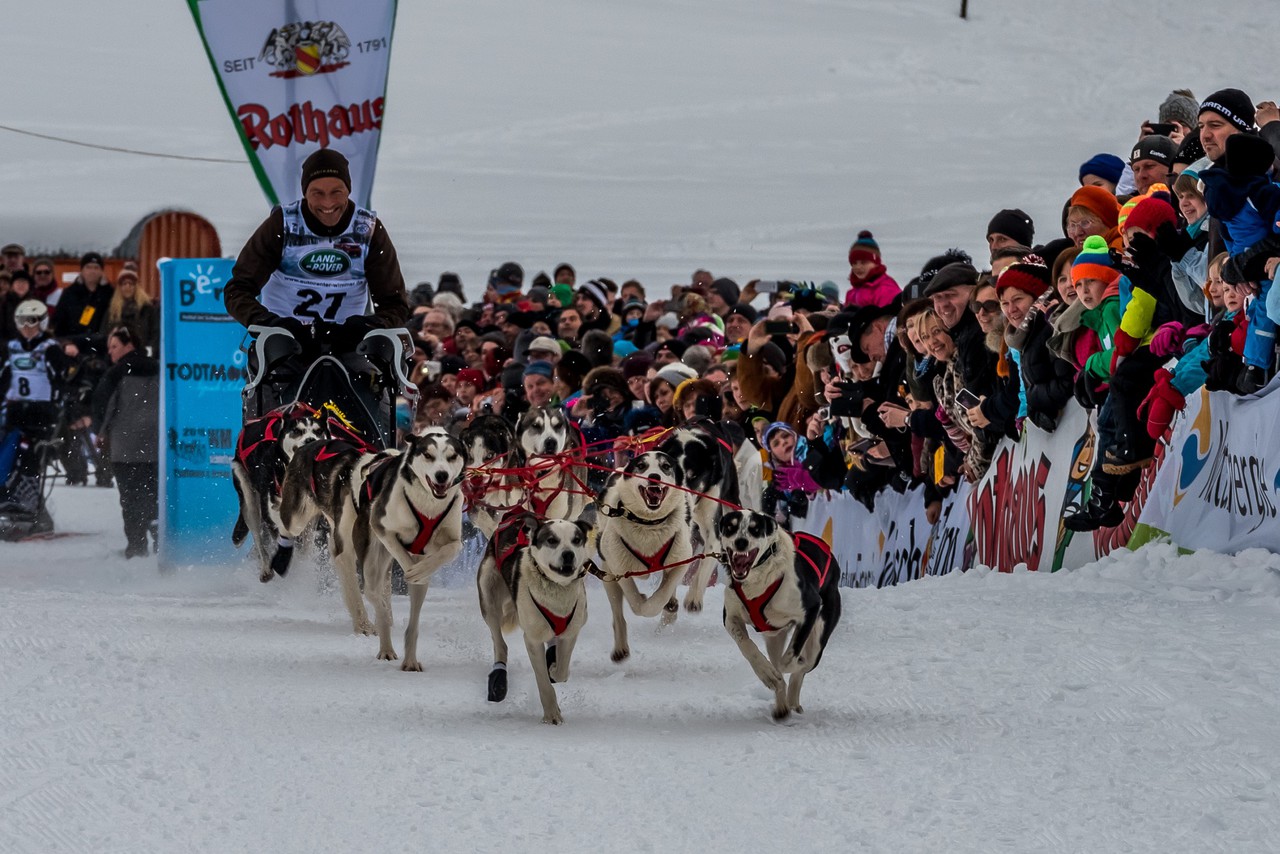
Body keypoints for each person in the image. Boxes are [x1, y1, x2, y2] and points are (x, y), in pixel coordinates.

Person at [222, 148, 410, 423]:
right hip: (287, 344)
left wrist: (367, 327)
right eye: (317, 193)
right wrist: (271, 323)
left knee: (378, 395)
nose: (328, 202)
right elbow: (238, 289)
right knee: (266, 418)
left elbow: (395, 303)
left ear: (348, 191)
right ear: (305, 193)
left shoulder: (368, 230)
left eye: (336, 192)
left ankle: (375, 444)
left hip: (349, 344)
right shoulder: (281, 225)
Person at [0, 300, 73, 528]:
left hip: (41, 415)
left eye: (31, 322)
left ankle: (27, 502)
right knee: (9, 450)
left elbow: (60, 381)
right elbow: (4, 378)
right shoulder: (12, 348)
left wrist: (60, 408)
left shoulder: (49, 349)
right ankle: (8, 495)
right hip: (15, 413)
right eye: (22, 322)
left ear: (41, 322)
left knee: (27, 453)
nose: (26, 327)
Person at [92, 326, 159, 558]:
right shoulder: (159, 367)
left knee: (130, 499)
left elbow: (103, 404)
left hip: (126, 446)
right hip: (155, 445)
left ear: (129, 345)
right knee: (154, 496)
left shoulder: (117, 372)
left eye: (114, 346)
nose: (110, 352)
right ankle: (161, 541)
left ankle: (136, 546)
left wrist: (99, 432)